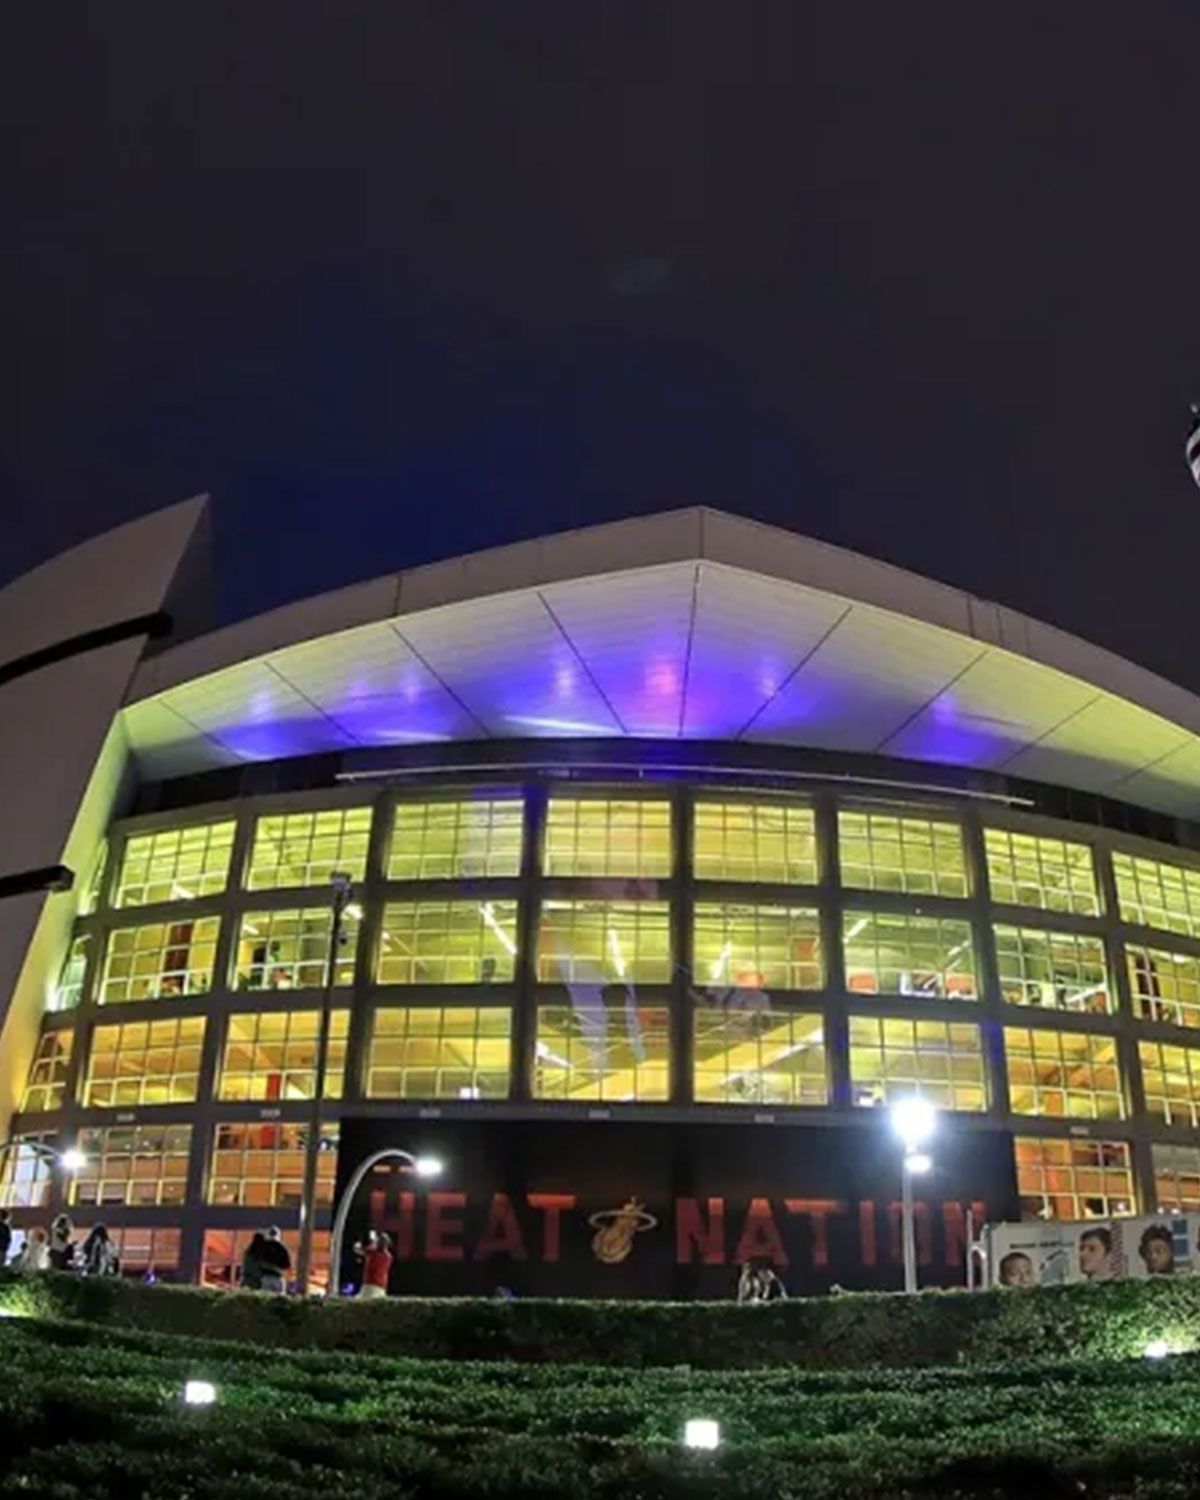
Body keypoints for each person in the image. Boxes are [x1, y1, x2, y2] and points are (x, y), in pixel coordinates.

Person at [355, 1230, 393, 1299]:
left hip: (370, 1284)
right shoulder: (389, 1256)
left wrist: (359, 1243)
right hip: (382, 1285)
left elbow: (357, 1249)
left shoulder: (372, 1252)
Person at [258, 1226, 292, 1295]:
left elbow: (258, 1262)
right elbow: (287, 1265)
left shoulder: (263, 1247)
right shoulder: (283, 1248)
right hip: (278, 1277)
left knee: (266, 1300)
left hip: (266, 1277)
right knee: (279, 1301)